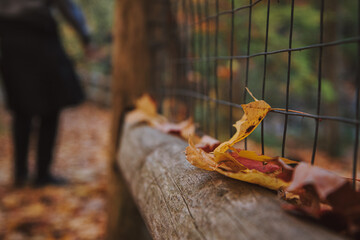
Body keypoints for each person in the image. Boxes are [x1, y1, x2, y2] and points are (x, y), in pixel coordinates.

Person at [0, 0, 91, 187]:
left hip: (9, 36)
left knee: (21, 110)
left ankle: (21, 173)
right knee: (51, 107)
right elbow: (65, 5)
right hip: (39, 32)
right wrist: (84, 35)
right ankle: (41, 174)